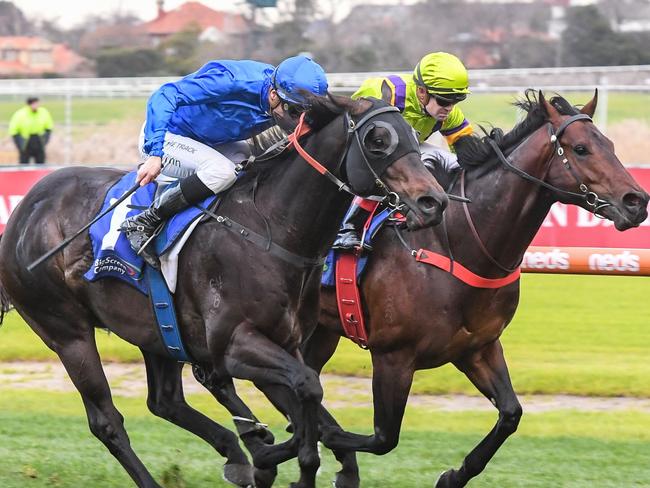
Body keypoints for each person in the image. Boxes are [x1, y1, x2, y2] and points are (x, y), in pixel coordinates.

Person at [119, 55, 329, 269]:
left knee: (248, 164)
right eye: (294, 111)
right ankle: (144, 221)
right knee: (222, 172)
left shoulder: (284, 94)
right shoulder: (232, 81)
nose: (297, 120)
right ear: (273, 95)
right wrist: (155, 153)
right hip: (166, 137)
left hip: (208, 143)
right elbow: (163, 95)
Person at [333, 52, 473, 251]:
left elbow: (467, 149)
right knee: (387, 165)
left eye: (455, 101)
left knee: (450, 162)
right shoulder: (388, 93)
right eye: (444, 101)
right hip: (362, 150)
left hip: (405, 152)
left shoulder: (447, 112)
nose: (449, 108)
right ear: (422, 91)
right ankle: (349, 227)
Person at [8, 97, 54, 165]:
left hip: (39, 140)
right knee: (24, 162)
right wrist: (19, 142)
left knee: (41, 162)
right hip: (26, 141)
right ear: (29, 104)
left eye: (37, 103)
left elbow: (49, 127)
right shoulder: (20, 114)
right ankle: (23, 175)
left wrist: (45, 139)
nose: (37, 105)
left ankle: (41, 175)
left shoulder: (43, 112)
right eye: (35, 104)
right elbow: (13, 130)